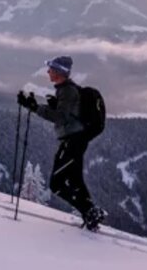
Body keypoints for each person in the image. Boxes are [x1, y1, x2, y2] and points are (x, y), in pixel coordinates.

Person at [19, 56, 106, 231]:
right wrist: (53, 105)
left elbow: (60, 117)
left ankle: (89, 212)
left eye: (51, 69)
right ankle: (91, 215)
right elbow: (67, 113)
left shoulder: (67, 91)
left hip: (73, 141)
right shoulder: (67, 90)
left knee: (56, 184)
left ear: (59, 72)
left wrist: (35, 107)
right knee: (75, 180)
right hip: (76, 140)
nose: (48, 72)